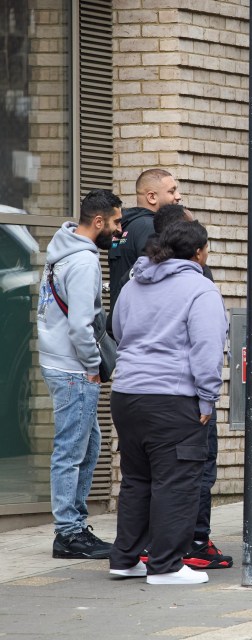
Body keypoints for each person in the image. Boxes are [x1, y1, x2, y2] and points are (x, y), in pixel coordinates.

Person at [108, 221, 228, 585]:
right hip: (173, 398)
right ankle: (166, 566)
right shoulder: (200, 289)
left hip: (127, 394)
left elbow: (116, 329)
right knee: (176, 482)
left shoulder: (134, 284)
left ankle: (126, 558)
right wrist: (208, 398)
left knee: (137, 479)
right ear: (197, 252)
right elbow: (207, 350)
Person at [38, 189, 123, 559]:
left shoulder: (61, 250)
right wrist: (92, 366)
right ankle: (69, 533)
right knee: (72, 451)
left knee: (87, 446)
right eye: (117, 222)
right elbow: (80, 325)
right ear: (99, 221)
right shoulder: (84, 263)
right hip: (74, 369)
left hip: (59, 361)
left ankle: (73, 526)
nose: (119, 231)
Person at [108, 168, 182, 326]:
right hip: (141, 323)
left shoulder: (123, 227)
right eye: (172, 191)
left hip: (120, 320)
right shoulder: (151, 227)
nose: (178, 197)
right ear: (152, 197)